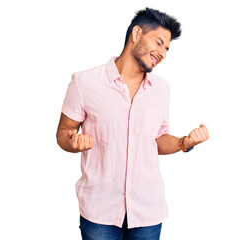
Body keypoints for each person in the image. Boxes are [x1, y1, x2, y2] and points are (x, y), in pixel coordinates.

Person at [56, 7, 210, 240]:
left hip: (147, 211)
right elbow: (63, 132)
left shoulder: (161, 90)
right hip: (99, 210)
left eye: (167, 49)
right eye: (159, 43)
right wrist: (72, 140)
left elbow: (157, 140)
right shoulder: (85, 82)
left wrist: (182, 142)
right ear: (136, 33)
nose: (163, 54)